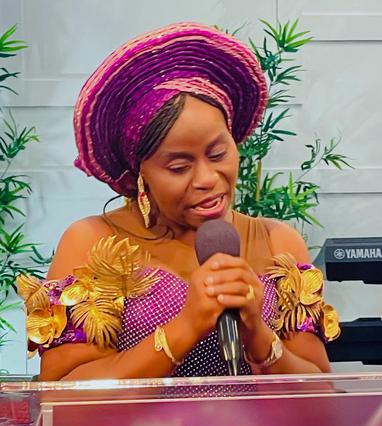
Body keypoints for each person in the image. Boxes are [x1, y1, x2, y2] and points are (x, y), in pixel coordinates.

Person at [17, 23, 339, 382]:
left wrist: (257, 334)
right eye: (179, 167)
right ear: (140, 175)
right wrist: (185, 327)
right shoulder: (92, 242)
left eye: (218, 154)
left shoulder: (279, 242)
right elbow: (64, 392)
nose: (207, 178)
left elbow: (320, 391)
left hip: (257, 423)